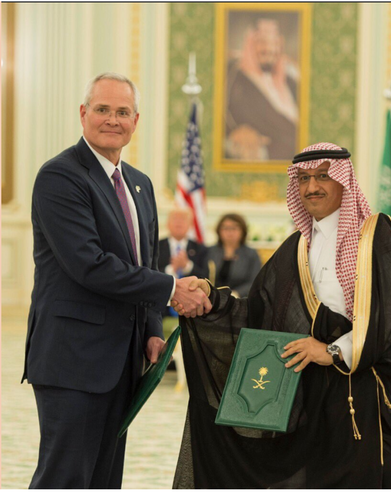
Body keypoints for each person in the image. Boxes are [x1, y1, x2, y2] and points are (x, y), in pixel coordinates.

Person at [171, 142, 391, 488]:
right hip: (307, 397)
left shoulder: (375, 235)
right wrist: (212, 298)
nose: (312, 186)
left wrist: (331, 351)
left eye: (323, 176)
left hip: (360, 393)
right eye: (302, 178)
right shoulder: (297, 246)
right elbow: (259, 314)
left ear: (344, 181)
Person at [22, 72, 211, 488]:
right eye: (103, 109)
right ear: (83, 114)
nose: (113, 119)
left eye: (122, 112)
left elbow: (144, 262)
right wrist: (171, 290)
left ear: (136, 120)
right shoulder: (60, 177)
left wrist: (151, 333)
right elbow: (89, 264)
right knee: (66, 477)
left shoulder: (140, 185)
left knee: (104, 478)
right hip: (73, 361)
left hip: (123, 363)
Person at [225, 18, 299, 161]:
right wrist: (233, 132)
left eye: (274, 43)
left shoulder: (290, 80)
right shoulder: (234, 79)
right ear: (250, 43)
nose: (269, 49)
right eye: (262, 42)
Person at [206, 213, 262, 297]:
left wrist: (236, 293)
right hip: (211, 300)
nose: (230, 232)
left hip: (240, 300)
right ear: (218, 230)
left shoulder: (251, 254)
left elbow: (255, 282)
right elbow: (202, 275)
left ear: (243, 231)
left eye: (234, 228)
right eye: (225, 228)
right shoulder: (209, 251)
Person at [159, 208, 209, 282]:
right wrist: (171, 269)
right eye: (175, 218)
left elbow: (206, 277)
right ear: (167, 224)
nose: (179, 222)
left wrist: (187, 266)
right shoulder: (156, 247)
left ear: (190, 225)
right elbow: (150, 274)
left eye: (183, 219)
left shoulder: (201, 249)